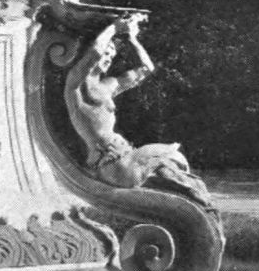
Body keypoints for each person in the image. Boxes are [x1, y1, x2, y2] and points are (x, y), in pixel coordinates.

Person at [63, 16, 211, 205]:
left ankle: (196, 206)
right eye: (106, 53)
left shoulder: (108, 86)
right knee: (173, 160)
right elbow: (94, 52)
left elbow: (146, 69)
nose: (108, 58)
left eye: (112, 55)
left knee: (177, 165)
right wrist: (114, 28)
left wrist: (132, 37)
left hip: (124, 158)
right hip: (113, 164)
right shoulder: (75, 86)